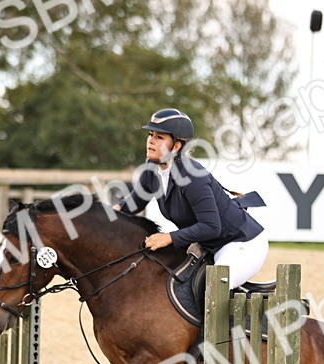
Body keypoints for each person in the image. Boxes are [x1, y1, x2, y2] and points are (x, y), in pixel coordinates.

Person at [114, 108, 266, 290]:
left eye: (159, 137)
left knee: (213, 288)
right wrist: (112, 211)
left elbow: (211, 226)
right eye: (150, 134)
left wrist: (169, 237)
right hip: (208, 245)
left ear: (176, 146)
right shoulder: (152, 168)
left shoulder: (193, 177)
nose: (150, 141)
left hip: (240, 244)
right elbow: (135, 202)